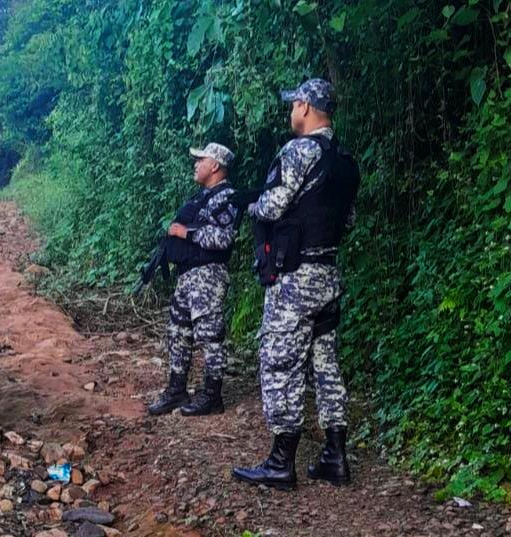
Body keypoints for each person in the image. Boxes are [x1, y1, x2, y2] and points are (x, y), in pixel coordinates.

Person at [231, 79, 360, 489]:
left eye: (294, 105)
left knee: (280, 361)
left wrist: (247, 202)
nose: (291, 112)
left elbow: (271, 205)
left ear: (305, 107)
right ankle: (334, 457)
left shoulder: (298, 150)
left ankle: (280, 462)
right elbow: (348, 220)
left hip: (295, 278)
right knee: (325, 362)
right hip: (327, 274)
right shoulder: (345, 161)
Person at [148, 143, 238, 417]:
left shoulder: (227, 197)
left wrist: (186, 233)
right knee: (178, 333)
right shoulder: (202, 197)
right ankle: (176, 390)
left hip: (208, 275)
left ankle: (212, 395)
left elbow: (224, 238)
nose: (195, 164)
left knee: (209, 336)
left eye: (201, 160)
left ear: (215, 166)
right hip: (188, 275)